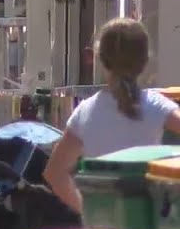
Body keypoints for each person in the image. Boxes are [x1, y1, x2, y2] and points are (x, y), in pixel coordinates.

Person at [44, 18, 180, 213]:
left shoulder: (85, 112)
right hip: (147, 225)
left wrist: (87, 210)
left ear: (100, 58)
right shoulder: (156, 105)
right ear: (145, 61)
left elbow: (55, 173)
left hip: (103, 227)